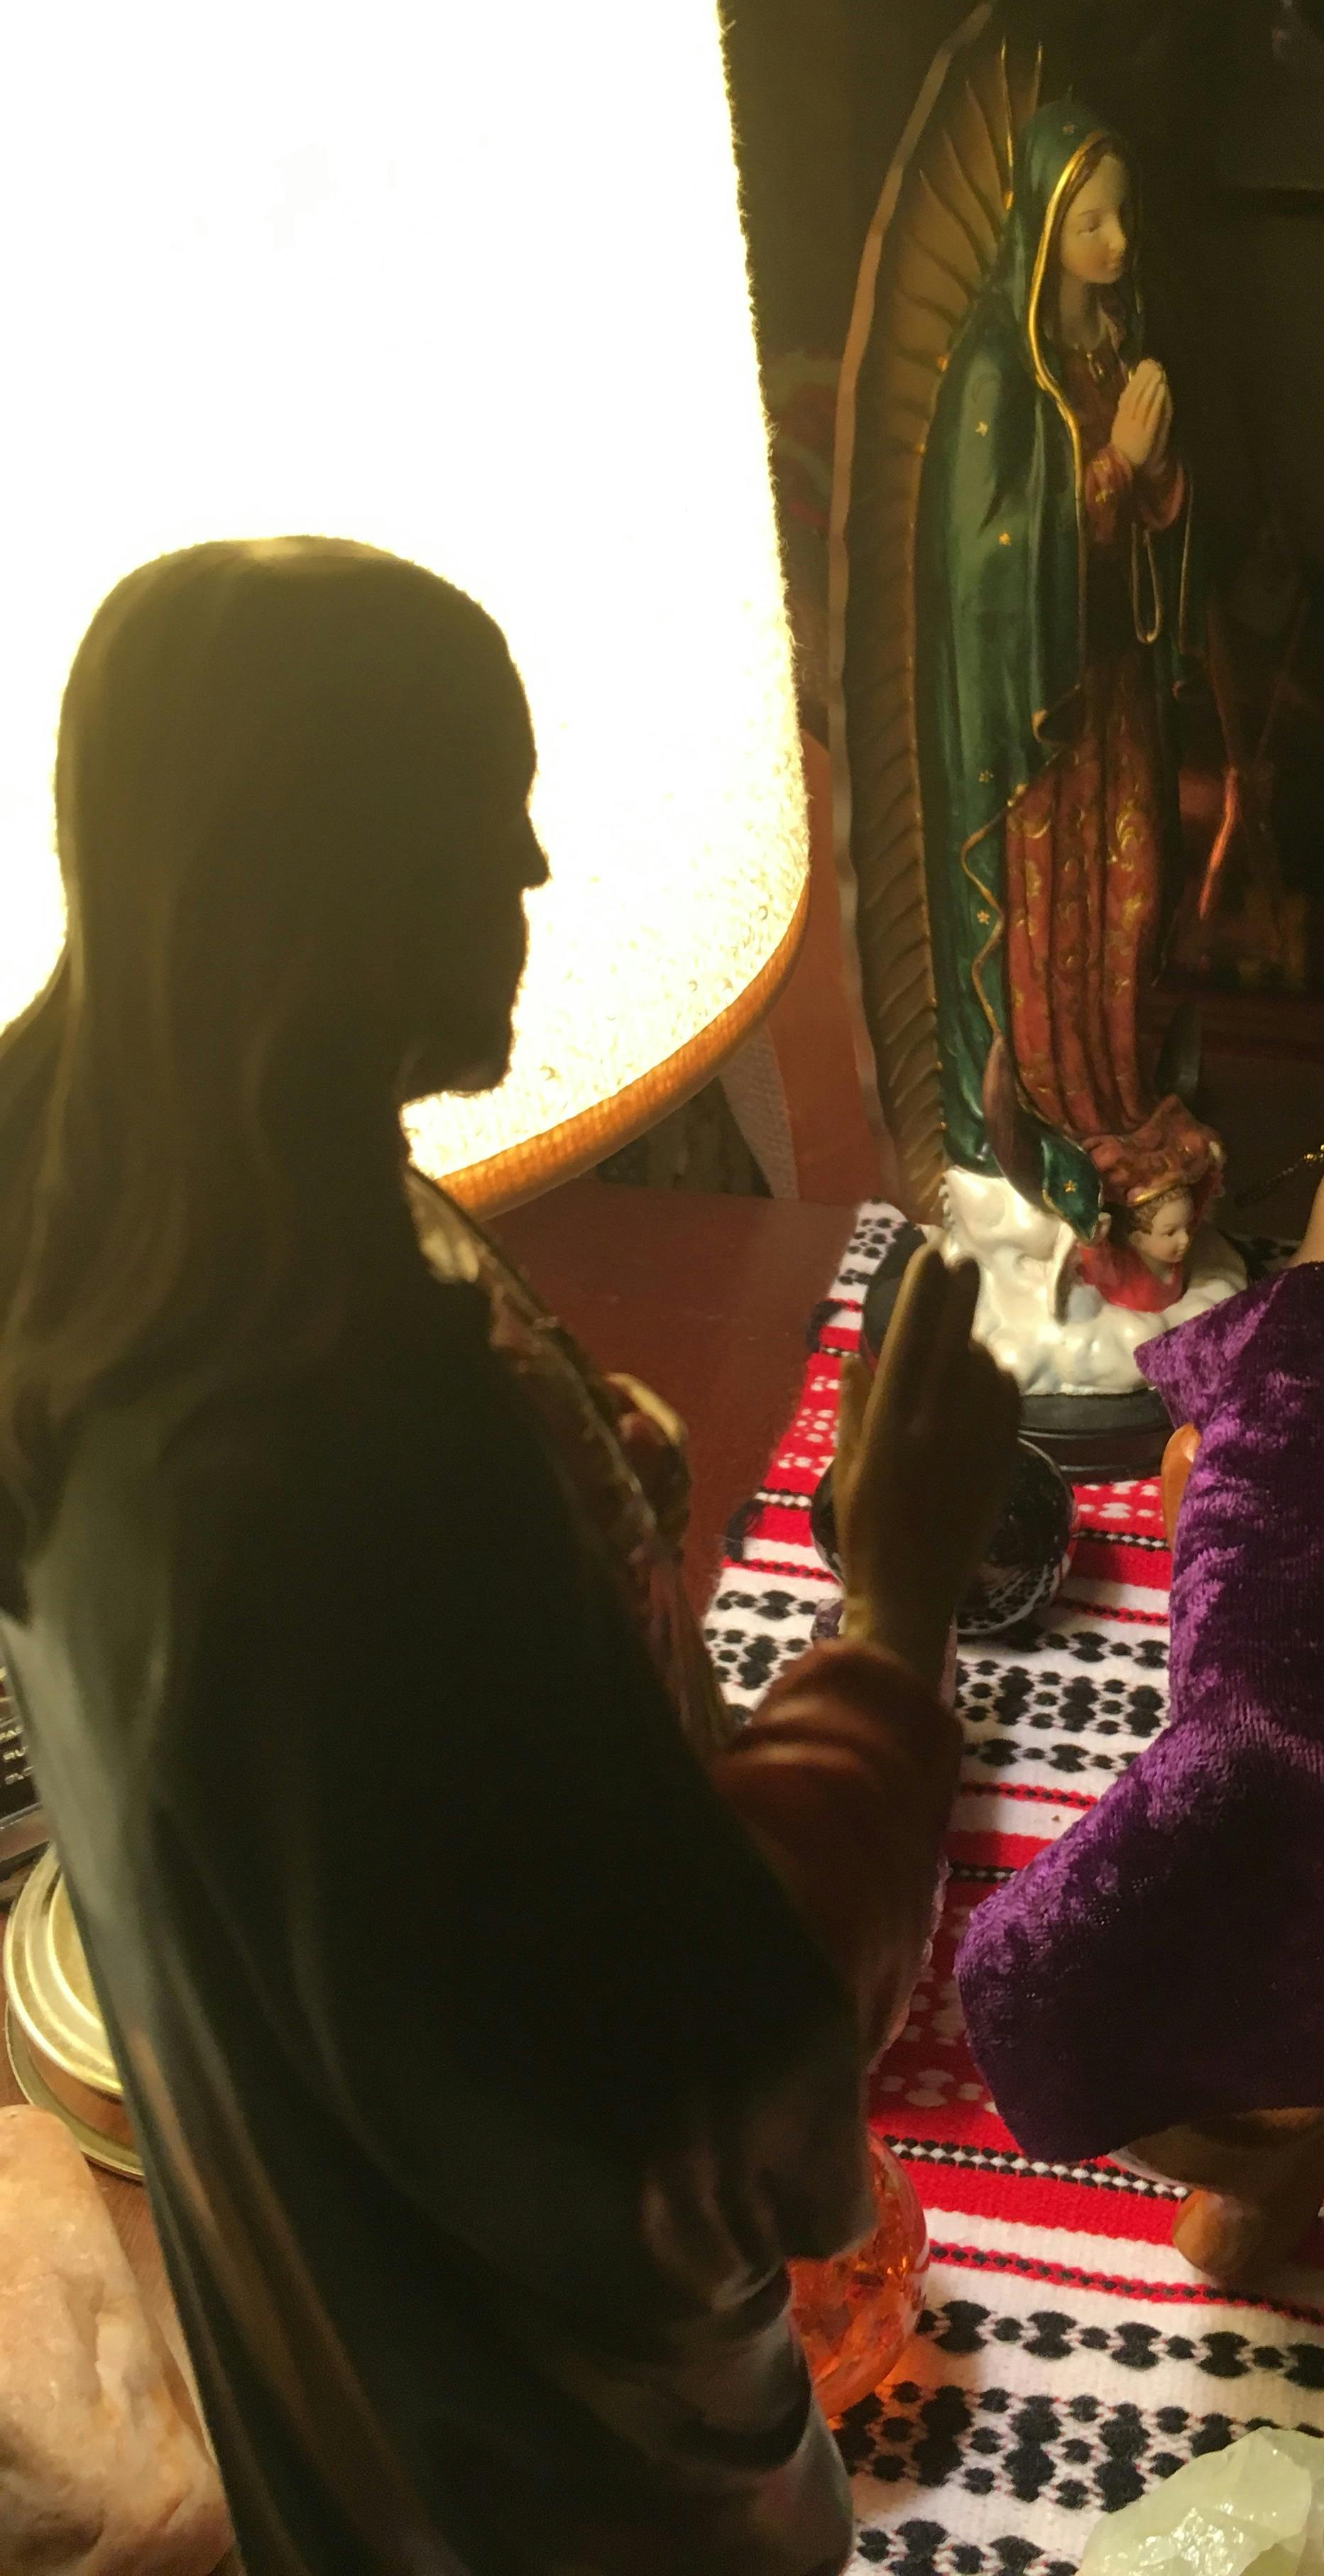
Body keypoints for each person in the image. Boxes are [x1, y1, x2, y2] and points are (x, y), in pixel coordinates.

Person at [0, 537, 1019, 2575]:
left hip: (345, 2319)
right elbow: (698, 2078)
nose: (538, 871)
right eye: (491, 815)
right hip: (553, 2445)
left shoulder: (120, 1246)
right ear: (323, 876)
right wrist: (895, 1610)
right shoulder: (349, 1460)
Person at [915, 100, 1222, 1251]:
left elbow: (1162, 524)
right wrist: (1114, 469)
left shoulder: (1116, 346)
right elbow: (986, 563)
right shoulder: (1002, 368)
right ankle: (1056, 1111)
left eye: (1122, 216)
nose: (1116, 241)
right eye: (1090, 220)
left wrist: (1160, 478)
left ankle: (1122, 1094)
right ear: (1043, 222)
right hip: (1038, 717)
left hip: (1118, 692)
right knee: (1059, 922)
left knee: (1132, 903)